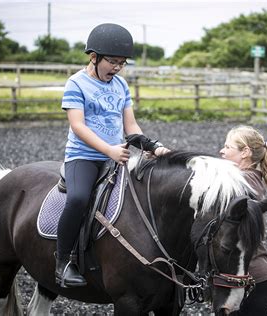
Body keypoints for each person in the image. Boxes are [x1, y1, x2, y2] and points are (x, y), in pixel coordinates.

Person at [56, 23, 169, 288]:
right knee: (78, 198)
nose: (117, 68)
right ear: (94, 57)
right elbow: (78, 125)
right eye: (113, 62)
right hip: (83, 157)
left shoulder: (120, 85)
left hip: (115, 155)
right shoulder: (76, 83)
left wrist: (153, 146)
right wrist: (108, 149)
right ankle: (62, 262)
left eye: (122, 63)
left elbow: (130, 126)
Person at [219, 125, 267, 315]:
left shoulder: (247, 180)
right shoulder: (243, 177)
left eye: (228, 147)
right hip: (240, 276)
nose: (222, 151)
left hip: (256, 278)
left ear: (245, 152)